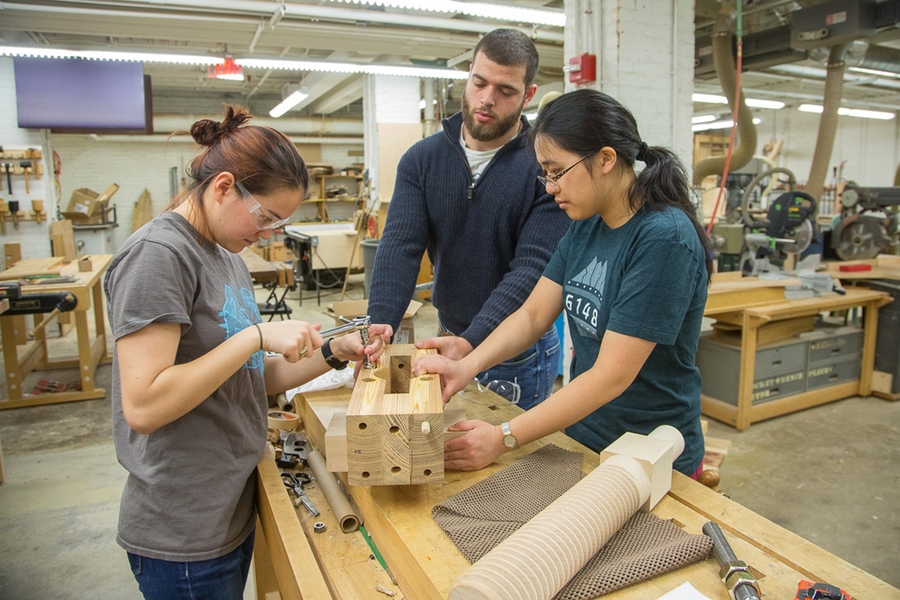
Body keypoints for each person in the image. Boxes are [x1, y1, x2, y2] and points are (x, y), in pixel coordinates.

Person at [103, 105, 391, 600]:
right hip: (185, 529)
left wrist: (336, 351)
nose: (268, 233)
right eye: (266, 217)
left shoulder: (224, 254)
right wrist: (255, 337)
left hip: (230, 502)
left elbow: (250, 379)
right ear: (222, 186)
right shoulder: (159, 256)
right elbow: (144, 406)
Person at [414, 89, 713, 477]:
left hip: (650, 454)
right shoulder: (587, 224)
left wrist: (503, 436)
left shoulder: (663, 239)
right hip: (585, 436)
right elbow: (534, 314)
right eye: (545, 174)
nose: (550, 187)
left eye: (558, 172)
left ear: (605, 159)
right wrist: (467, 364)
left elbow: (611, 376)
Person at [367, 28, 570, 410]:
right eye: (479, 82)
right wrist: (380, 323)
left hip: (515, 350)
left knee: (512, 463)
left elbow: (531, 270)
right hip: (448, 334)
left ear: (529, 95)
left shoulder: (544, 168)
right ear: (469, 74)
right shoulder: (422, 160)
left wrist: (473, 343)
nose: (487, 99)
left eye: (505, 91)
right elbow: (400, 247)